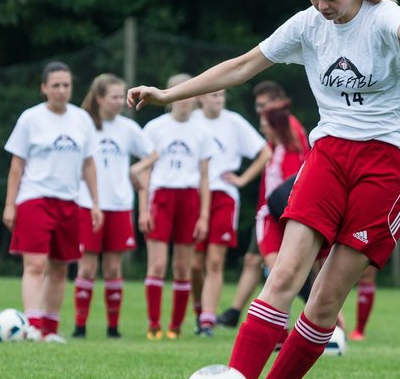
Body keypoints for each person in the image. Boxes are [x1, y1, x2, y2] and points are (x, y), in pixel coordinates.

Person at [129, 0, 400, 379]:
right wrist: (167, 94)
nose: (322, 7)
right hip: (328, 153)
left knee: (326, 299)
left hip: (389, 162)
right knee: (283, 276)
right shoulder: (308, 25)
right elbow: (242, 66)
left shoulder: (384, 16)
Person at [3, 61, 102, 343]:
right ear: (44, 88)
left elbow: (89, 165)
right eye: (56, 85)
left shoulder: (81, 119)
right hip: (35, 198)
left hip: (69, 202)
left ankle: (49, 329)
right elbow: (16, 165)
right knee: (35, 264)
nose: (61, 91)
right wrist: (10, 204)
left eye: (66, 85)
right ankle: (32, 325)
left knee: (60, 266)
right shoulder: (30, 119)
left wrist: (95, 203)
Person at [217, 82, 311, 327]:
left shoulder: (288, 128)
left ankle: (318, 317)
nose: (260, 113)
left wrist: (243, 181)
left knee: (284, 270)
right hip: (268, 210)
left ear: (277, 102)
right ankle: (236, 313)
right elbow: (268, 162)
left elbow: (295, 172)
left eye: (263, 106)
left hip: (282, 209)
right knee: (254, 260)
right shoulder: (275, 133)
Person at [71, 74, 156, 339]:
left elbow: (153, 153)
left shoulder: (127, 128)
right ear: (99, 98)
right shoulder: (83, 124)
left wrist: (138, 167)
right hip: (87, 203)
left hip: (119, 204)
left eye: (122, 97)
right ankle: (80, 327)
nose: (121, 102)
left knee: (112, 269)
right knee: (86, 268)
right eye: (115, 97)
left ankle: (112, 328)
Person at [189, 89, 271, 336]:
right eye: (213, 95)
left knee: (215, 260)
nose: (219, 99)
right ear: (200, 97)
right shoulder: (191, 122)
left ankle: (207, 321)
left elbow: (265, 152)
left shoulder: (233, 122)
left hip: (224, 196)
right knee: (193, 264)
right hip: (193, 194)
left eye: (222, 95)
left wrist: (243, 179)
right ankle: (199, 309)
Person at [140, 74, 214, 340]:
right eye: (177, 94)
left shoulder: (202, 132)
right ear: (168, 96)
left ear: (195, 97)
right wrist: (143, 209)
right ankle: (153, 325)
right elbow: (144, 173)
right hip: (161, 197)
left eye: (188, 94)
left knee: (183, 267)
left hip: (189, 198)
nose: (184, 100)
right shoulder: (155, 128)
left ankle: (175, 327)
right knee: (157, 265)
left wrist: (204, 215)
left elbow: (205, 177)